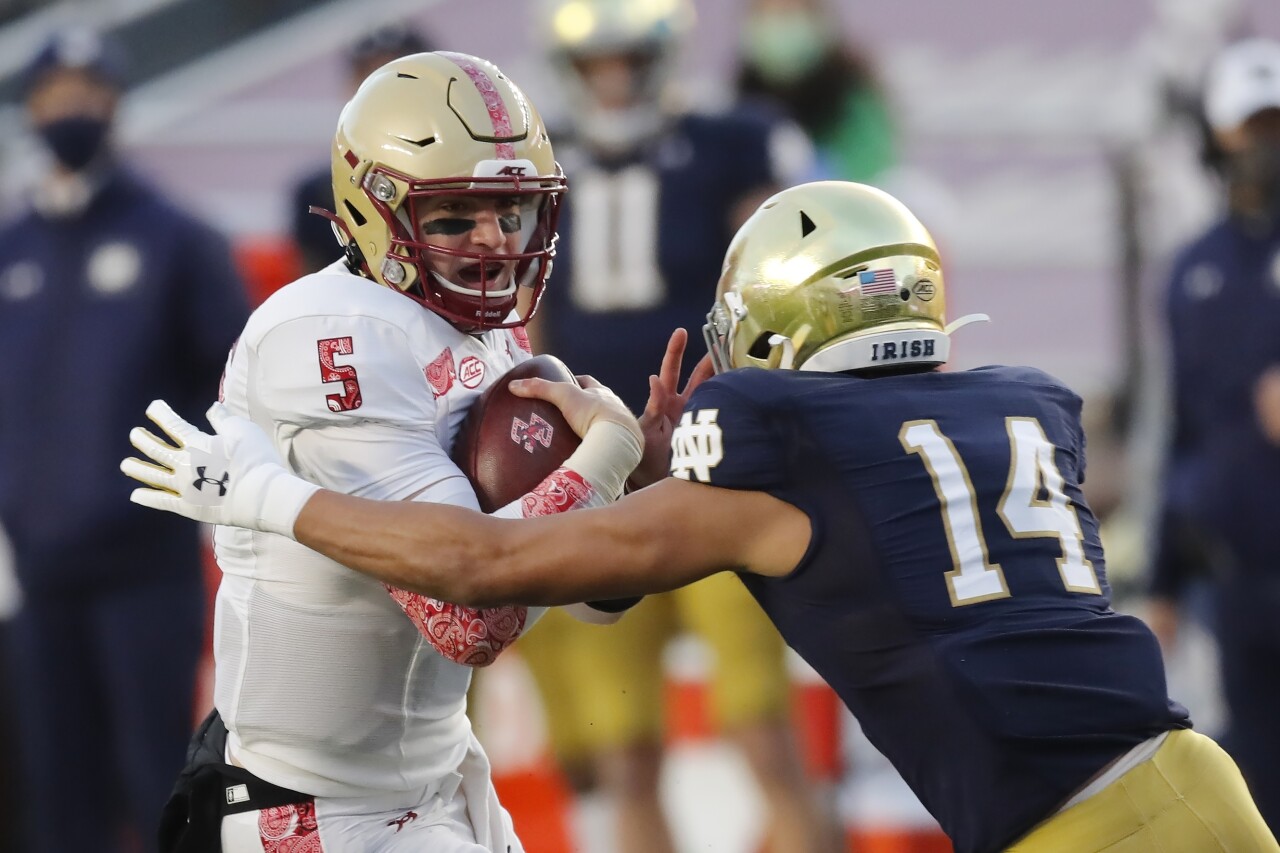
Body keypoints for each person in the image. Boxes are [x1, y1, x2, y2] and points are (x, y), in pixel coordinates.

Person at [125, 180, 1279, 853]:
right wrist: (652, 471)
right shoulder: (1020, 402)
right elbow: (623, 576)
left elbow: (482, 569)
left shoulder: (781, 440)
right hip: (1181, 782)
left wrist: (258, 493)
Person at [125, 50, 676, 852]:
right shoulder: (331, 335)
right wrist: (600, 461)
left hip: (435, 779)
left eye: (512, 211)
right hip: (323, 810)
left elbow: (575, 589)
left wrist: (634, 489)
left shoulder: (483, 327)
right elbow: (469, 618)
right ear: (372, 211)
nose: (493, 242)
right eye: (454, 215)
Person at [522, 2, 834, 850]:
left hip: (713, 465)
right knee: (624, 755)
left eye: (626, 60)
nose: (612, 80)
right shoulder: (540, 157)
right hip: (600, 475)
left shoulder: (732, 139)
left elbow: (783, 273)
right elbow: (530, 311)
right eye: (597, 65)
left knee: (762, 732)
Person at [0, 28, 250, 853]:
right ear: (30, 107)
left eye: (86, 91)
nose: (69, 109)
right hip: (37, 571)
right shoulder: (13, 249)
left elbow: (244, 387)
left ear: (113, 101)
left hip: (146, 567)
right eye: (53, 94)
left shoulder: (176, 238)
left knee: (159, 786)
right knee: (56, 796)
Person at [1146, 37, 1280, 834]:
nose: (1263, 147)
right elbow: (1184, 426)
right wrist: (1164, 573)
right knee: (1251, 787)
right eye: (1249, 127)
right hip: (1235, 577)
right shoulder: (1193, 269)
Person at [289, 24, 431, 275]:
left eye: (394, 75)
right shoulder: (315, 191)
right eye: (366, 76)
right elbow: (312, 281)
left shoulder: (472, 173)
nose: (377, 90)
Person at [735, 0, 896, 184]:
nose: (777, 27)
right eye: (764, 14)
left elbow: (869, 172)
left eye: (787, 14)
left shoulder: (853, 93)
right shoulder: (741, 93)